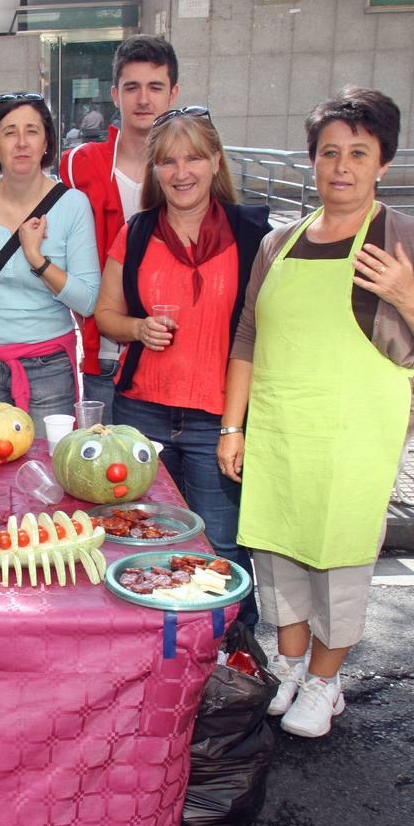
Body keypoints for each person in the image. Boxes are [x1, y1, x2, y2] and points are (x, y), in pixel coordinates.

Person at [219, 87, 414, 738]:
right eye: (329, 152)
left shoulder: (409, 238)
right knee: (277, 552)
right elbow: (248, 336)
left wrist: (406, 293)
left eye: (359, 153)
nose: (342, 166)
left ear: (384, 162)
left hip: (356, 435)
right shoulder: (279, 243)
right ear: (312, 160)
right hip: (280, 428)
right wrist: (233, 426)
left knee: (341, 557)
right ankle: (291, 665)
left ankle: (326, 682)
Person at [93, 108, 270, 627]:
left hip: (218, 417)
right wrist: (137, 328)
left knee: (223, 546)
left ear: (216, 161)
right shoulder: (138, 231)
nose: (181, 172)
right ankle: (161, 647)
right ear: (155, 171)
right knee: (142, 541)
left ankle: (236, 650)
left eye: (193, 157)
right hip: (142, 413)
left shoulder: (252, 234)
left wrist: (238, 425)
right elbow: (105, 315)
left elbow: (267, 330)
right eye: (168, 161)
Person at [0, 94, 100, 439]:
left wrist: (37, 259)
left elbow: (88, 300)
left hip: (49, 369)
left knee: (47, 464)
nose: (21, 142)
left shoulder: (73, 205)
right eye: (9, 132)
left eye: (32, 131)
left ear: (46, 142)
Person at [59, 35, 181, 422]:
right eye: (132, 87)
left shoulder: (189, 173)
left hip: (174, 352)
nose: (143, 99)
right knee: (102, 458)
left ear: (173, 93)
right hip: (107, 356)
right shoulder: (79, 165)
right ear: (115, 94)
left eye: (155, 87)